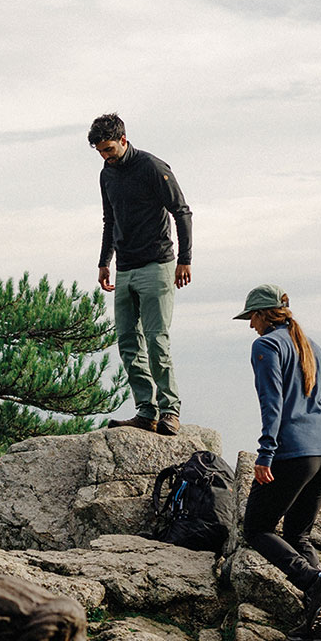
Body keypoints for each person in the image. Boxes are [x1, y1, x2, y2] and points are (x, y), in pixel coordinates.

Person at [237, 284, 321, 641]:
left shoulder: (266, 346)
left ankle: (315, 581)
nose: (250, 325)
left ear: (264, 315)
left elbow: (273, 404)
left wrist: (265, 454)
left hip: (293, 453)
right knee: (298, 535)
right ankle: (320, 625)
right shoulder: (315, 348)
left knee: (256, 528)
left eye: (251, 316)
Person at [90, 113, 191, 436]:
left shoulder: (153, 167)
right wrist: (104, 261)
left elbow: (182, 212)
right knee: (128, 343)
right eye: (100, 151)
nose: (105, 155)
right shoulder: (107, 174)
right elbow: (110, 220)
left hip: (157, 264)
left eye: (108, 149)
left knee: (156, 339)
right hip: (125, 268)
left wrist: (184, 260)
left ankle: (170, 411)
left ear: (123, 139)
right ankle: (146, 411)